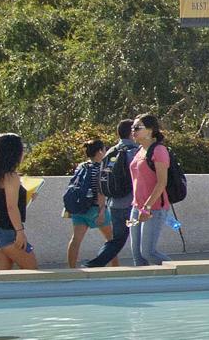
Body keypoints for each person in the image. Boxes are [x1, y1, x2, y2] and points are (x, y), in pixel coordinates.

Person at [83, 119, 137, 268]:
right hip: (132, 205)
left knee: (117, 239)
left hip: (115, 204)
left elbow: (102, 179)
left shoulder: (111, 152)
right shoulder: (134, 152)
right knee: (138, 236)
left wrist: (103, 206)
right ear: (132, 133)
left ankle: (95, 263)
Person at [0, 133, 38, 270]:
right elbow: (11, 207)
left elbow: (0, 202)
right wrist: (20, 232)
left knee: (4, 277)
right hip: (6, 230)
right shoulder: (11, 176)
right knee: (33, 270)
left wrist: (26, 197)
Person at [128, 113, 174, 266]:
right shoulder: (139, 150)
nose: (133, 131)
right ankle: (143, 288)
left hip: (153, 208)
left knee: (148, 252)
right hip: (136, 207)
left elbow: (162, 183)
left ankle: (181, 272)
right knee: (137, 255)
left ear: (150, 130)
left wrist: (146, 208)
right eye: (132, 128)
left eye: (137, 127)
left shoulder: (159, 151)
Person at [65, 139, 114, 268]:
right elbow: (100, 191)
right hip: (95, 209)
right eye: (104, 150)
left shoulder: (81, 166)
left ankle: (71, 269)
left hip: (79, 209)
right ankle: (116, 268)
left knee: (76, 240)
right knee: (112, 241)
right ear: (99, 152)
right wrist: (102, 211)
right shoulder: (101, 168)